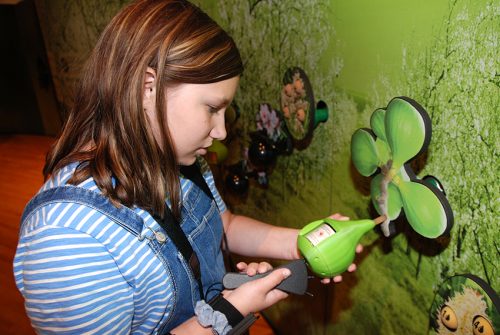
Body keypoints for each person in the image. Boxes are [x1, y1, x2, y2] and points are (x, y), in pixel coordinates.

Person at [13, 1, 359, 334]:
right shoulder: (68, 239)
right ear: (148, 88)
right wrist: (230, 310)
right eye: (212, 108)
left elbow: (224, 225)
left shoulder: (183, 158)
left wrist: (300, 243)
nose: (222, 131)